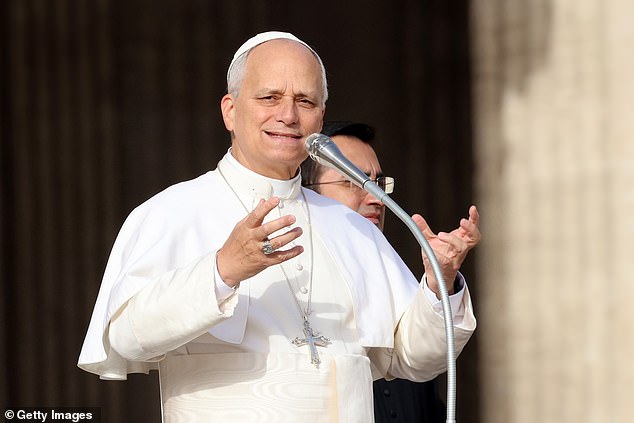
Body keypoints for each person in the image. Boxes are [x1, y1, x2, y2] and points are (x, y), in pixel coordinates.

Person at [78, 31, 478, 422]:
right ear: (230, 111)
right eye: (269, 97)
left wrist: (437, 285)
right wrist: (222, 271)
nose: (288, 115)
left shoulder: (349, 226)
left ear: (320, 118)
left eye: (304, 101)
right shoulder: (172, 211)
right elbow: (125, 337)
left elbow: (412, 358)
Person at [302, 121, 476, 422]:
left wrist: (440, 280)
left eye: (378, 184)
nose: (375, 198)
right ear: (308, 192)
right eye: (353, 181)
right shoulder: (293, 288)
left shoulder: (394, 283)